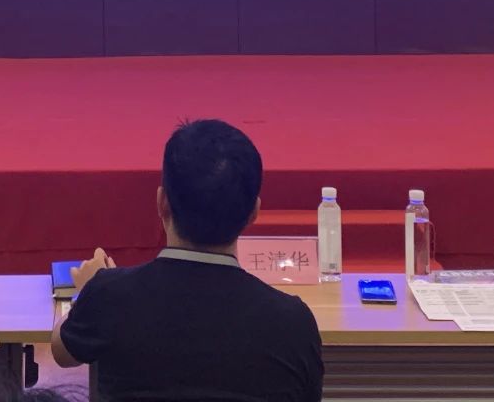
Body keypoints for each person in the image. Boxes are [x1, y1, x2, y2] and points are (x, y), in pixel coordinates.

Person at [51, 119, 325, 402]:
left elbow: (62, 351)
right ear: (254, 213)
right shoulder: (293, 322)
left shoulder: (109, 295)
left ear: (162, 202)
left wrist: (87, 291)